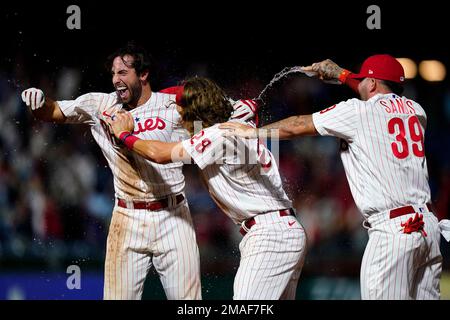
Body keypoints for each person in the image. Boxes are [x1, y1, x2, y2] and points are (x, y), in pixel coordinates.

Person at [220, 54, 450, 300]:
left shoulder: (356, 111)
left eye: (363, 80)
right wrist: (342, 74)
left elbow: (297, 125)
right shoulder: (417, 111)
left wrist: (253, 132)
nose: (358, 83)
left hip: (394, 232)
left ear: (371, 83)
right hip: (429, 230)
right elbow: (378, 93)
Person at [21, 43, 203, 300]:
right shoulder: (101, 104)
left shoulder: (174, 106)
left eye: (123, 72)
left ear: (143, 74)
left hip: (173, 215)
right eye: (113, 73)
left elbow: (209, 134)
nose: (116, 79)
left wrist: (239, 117)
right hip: (127, 217)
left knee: (189, 304)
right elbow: (54, 111)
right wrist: (38, 101)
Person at [107, 77, 307, 300]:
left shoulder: (216, 135)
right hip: (284, 228)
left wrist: (124, 134)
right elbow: (221, 101)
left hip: (270, 236)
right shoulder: (237, 117)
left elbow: (159, 154)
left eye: (180, 109)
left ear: (194, 111)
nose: (177, 114)